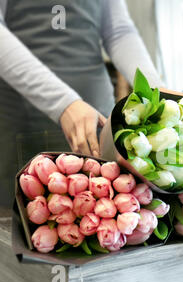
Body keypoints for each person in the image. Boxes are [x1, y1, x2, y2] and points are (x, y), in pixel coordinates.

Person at [0, 0, 164, 209]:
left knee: (103, 214)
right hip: (23, 113)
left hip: (96, 113)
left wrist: (155, 89)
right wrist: (63, 103)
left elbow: (118, 31)